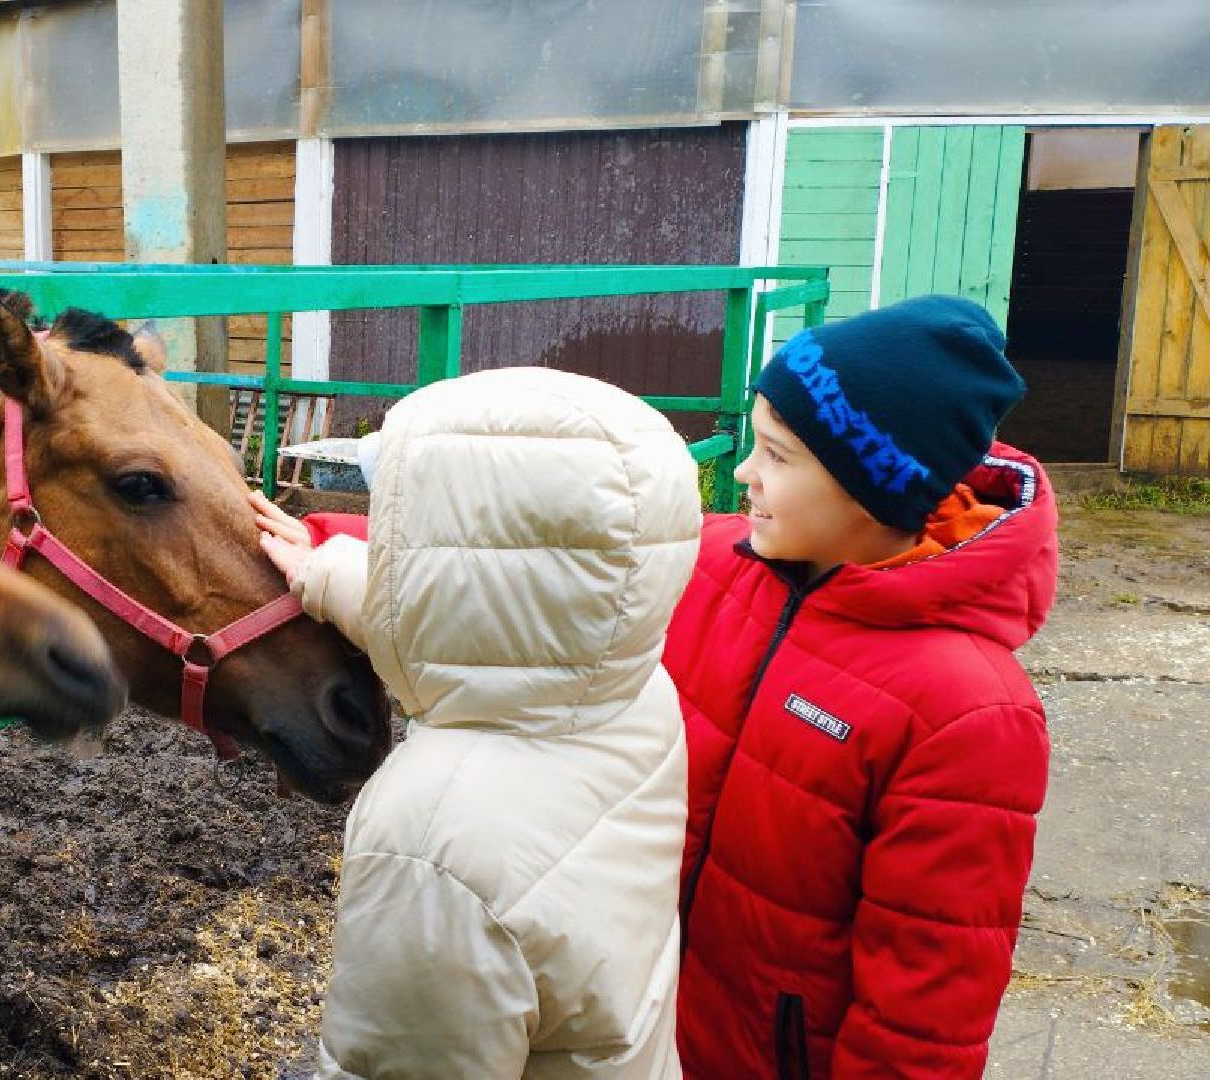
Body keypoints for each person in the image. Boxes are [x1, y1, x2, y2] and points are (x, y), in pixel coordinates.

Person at [253, 366, 701, 1079]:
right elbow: (506, 624)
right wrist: (327, 572)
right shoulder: (631, 688)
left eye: (401, 534)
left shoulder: (433, 841)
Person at [665, 295, 1058, 1078]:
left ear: (872, 486)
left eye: (777, 456)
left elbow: (924, 1011)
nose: (743, 472)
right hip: (648, 1034)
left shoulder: (967, 713)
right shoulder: (712, 565)